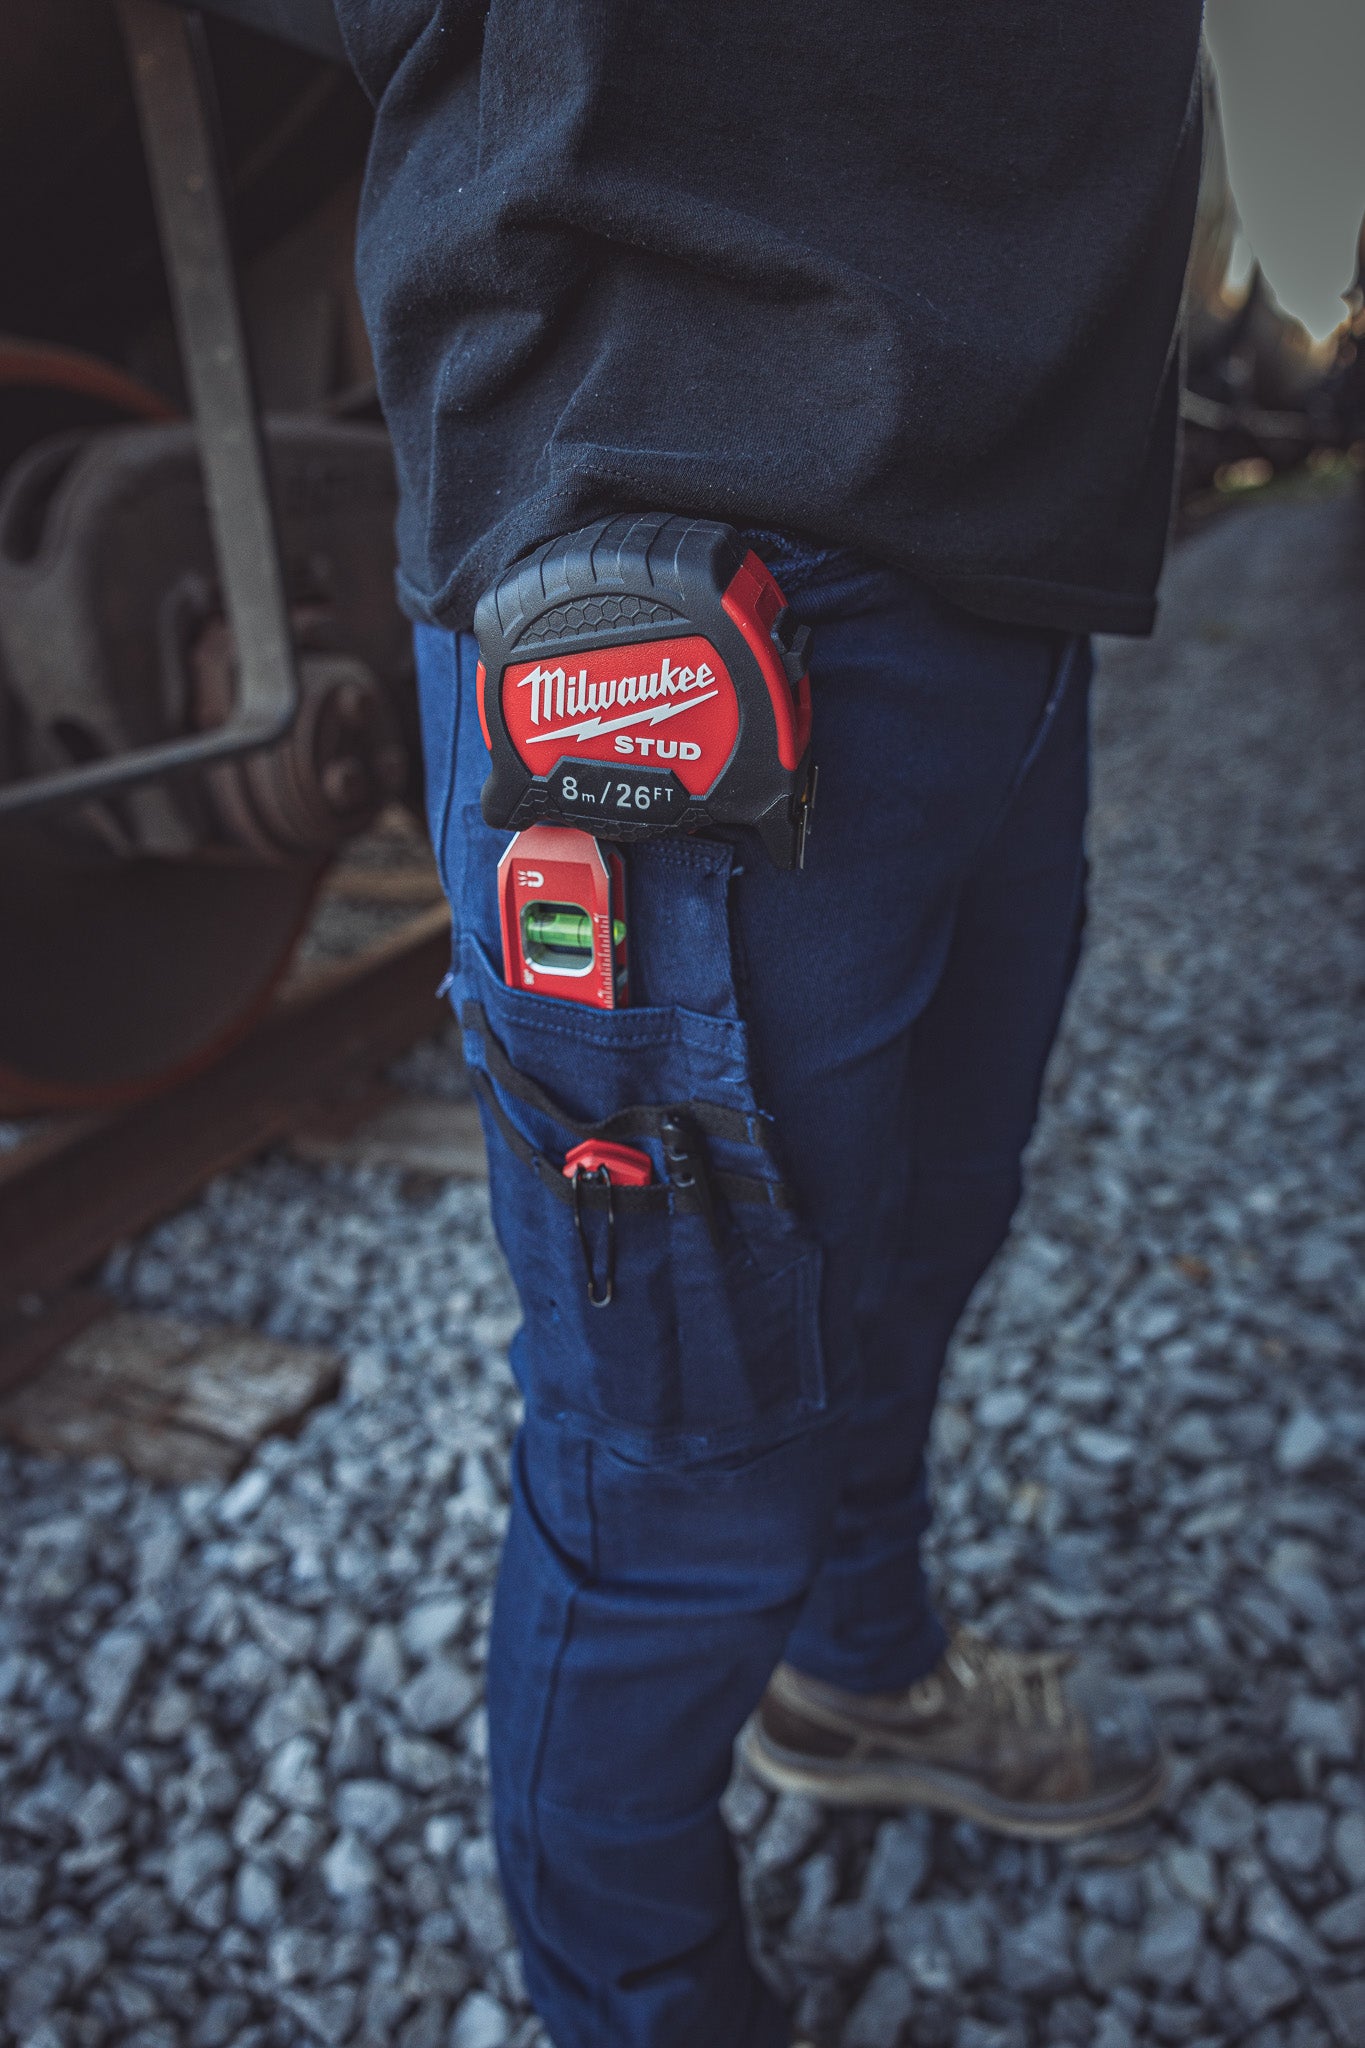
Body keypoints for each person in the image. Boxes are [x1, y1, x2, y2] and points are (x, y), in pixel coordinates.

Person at [333, 6, 1207, 2044]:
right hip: (665, 509)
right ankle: (644, 2005)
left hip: (1013, 539)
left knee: (920, 1236)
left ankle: (859, 1669)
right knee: (676, 1459)